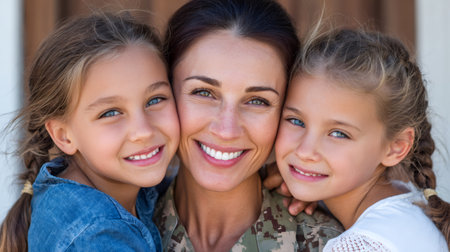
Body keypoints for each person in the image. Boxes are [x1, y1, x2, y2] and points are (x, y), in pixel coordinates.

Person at [153, 0, 343, 251]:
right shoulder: (114, 225)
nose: (226, 130)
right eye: (203, 92)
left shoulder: (331, 244)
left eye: (258, 101)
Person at [0, 13, 180, 251]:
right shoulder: (98, 237)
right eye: (110, 113)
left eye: (155, 99)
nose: (143, 131)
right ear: (63, 135)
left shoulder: (110, 186)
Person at [275, 27, 450, 251]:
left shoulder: (363, 245)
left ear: (396, 147)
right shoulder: (405, 204)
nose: (305, 151)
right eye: (296, 121)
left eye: (339, 133)